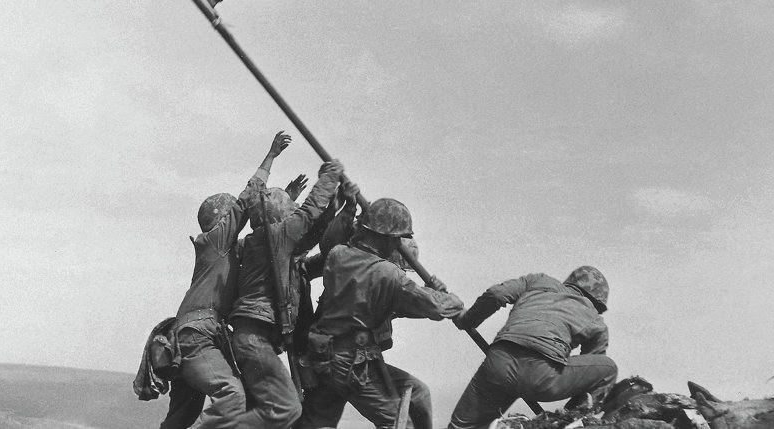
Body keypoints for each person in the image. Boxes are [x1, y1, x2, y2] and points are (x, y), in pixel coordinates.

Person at [157, 131, 292, 429]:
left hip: (195, 336)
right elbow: (246, 201)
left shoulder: (227, 253)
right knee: (232, 395)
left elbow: (268, 235)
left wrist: (287, 200)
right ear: (221, 219)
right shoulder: (215, 241)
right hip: (197, 337)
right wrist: (270, 157)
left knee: (181, 417)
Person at [297, 198, 464, 429]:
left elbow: (405, 305)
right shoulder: (387, 274)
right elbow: (435, 307)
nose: (398, 244)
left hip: (325, 356)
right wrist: (448, 297)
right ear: (386, 237)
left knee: (417, 393)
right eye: (396, 238)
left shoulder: (339, 255)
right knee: (400, 424)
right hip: (353, 364)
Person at [227, 159, 347, 429]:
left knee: (278, 410)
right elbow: (307, 216)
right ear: (278, 217)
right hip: (255, 339)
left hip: (257, 338)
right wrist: (329, 177)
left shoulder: (267, 244)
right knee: (288, 408)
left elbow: (308, 236)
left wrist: (332, 214)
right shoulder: (274, 237)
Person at [446, 266, 618, 429]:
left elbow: (496, 294)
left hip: (498, 364)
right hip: (542, 376)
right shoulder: (595, 320)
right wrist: (568, 414)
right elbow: (588, 382)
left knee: (461, 426)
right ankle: (572, 420)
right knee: (608, 368)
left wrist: (467, 320)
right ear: (598, 302)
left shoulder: (539, 281)